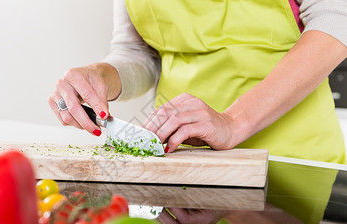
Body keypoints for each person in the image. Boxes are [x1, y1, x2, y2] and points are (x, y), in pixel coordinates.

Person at [49, 0, 347, 164]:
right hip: (180, 158)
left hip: (290, 159)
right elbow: (138, 52)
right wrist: (99, 76)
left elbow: (337, 17)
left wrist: (234, 121)